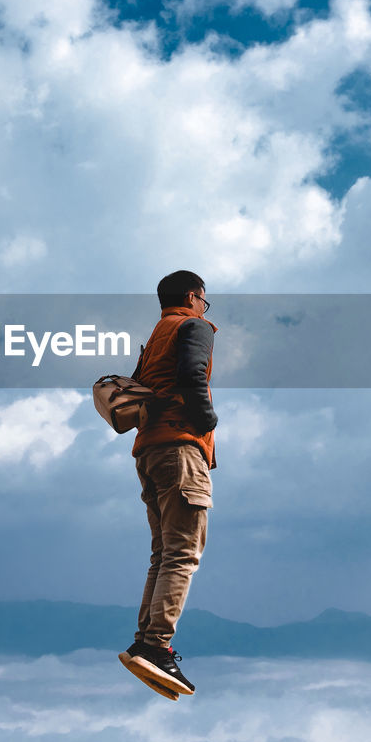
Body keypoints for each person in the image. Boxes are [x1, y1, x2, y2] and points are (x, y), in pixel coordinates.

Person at [118, 270, 218, 698]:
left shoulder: (157, 335)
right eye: (204, 301)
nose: (203, 308)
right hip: (180, 448)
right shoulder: (193, 326)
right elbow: (194, 375)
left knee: (163, 553)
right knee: (184, 552)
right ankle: (157, 647)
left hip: (150, 451)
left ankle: (146, 643)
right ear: (195, 296)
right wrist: (207, 420)